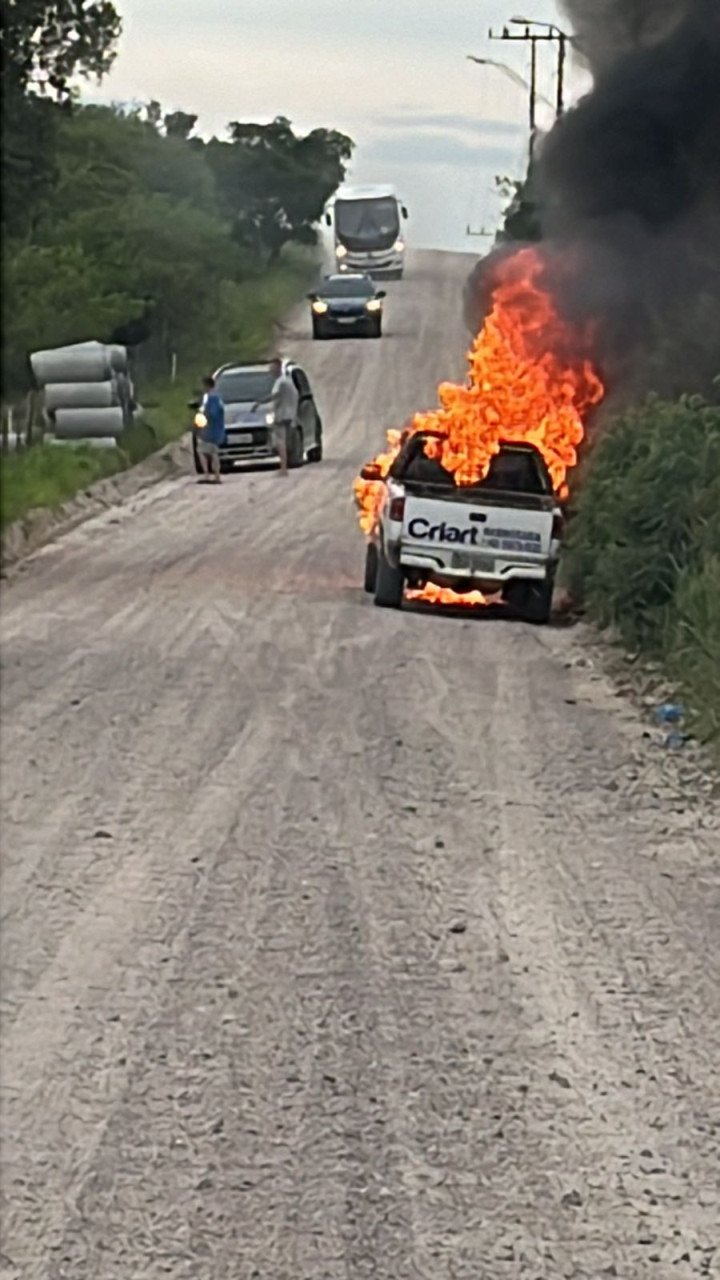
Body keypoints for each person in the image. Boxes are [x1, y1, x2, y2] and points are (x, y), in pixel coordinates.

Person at [253, 357, 298, 477]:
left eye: (272, 367)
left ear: (278, 367)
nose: (270, 370)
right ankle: (284, 466)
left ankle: (283, 468)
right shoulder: (288, 380)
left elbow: (274, 396)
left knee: (280, 442)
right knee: (283, 441)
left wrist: (259, 403)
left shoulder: (280, 382)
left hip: (281, 415)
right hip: (288, 414)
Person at [197, 375, 225, 485]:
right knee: (214, 453)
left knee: (201, 451)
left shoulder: (211, 398)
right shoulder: (218, 398)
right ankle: (217, 475)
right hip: (217, 429)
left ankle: (207, 474)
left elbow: (212, 414)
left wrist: (203, 414)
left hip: (210, 430)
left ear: (207, 386)